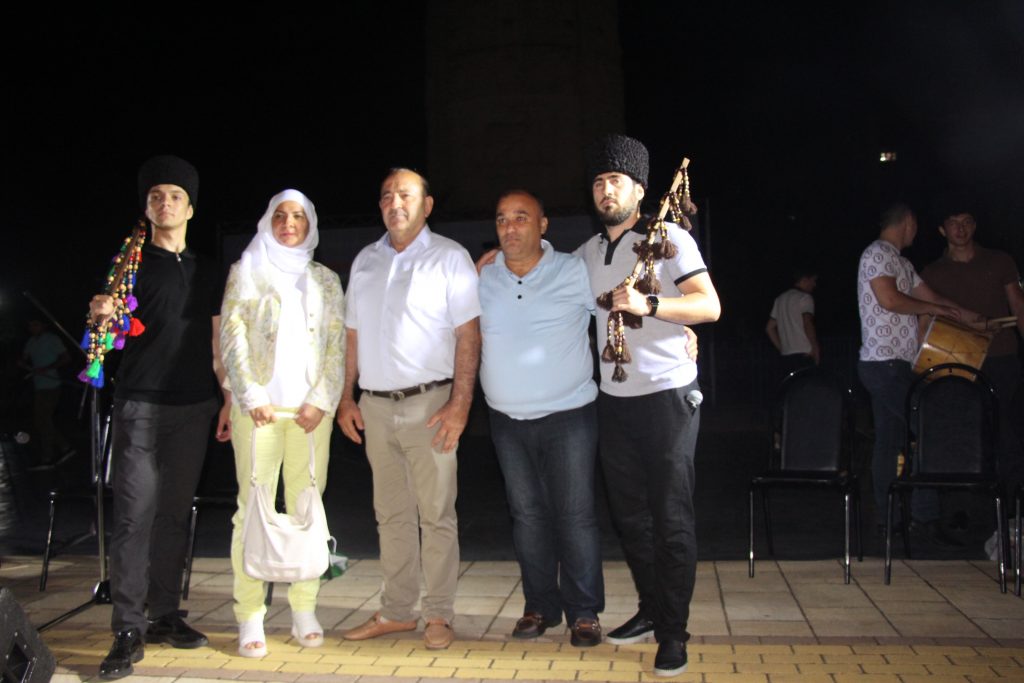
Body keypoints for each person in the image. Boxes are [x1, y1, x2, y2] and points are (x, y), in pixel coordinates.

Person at [575, 135, 721, 677]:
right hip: (614, 401)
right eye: (598, 181)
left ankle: (673, 633)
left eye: (616, 180)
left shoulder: (669, 238)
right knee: (630, 518)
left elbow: (709, 305)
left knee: (670, 517)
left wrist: (650, 303)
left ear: (639, 190)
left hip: (667, 398)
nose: (605, 190)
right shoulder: (587, 254)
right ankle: (651, 608)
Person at [89, 156, 226, 680]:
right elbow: (106, 337)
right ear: (146, 208)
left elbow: (217, 342)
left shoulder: (209, 269)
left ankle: (165, 614)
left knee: (174, 515)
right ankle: (127, 628)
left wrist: (227, 398)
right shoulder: (128, 264)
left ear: (190, 208)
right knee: (134, 516)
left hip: (194, 407)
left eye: (174, 196)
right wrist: (101, 318)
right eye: (155, 196)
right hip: (140, 406)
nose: (164, 203)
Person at [337, 168, 481, 650]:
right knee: (391, 514)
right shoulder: (366, 260)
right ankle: (398, 611)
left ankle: (438, 614)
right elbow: (352, 335)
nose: (394, 203)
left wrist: (460, 404)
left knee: (436, 515)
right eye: (386, 196)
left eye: (405, 195)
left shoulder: (449, 257)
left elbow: (468, 334)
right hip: (375, 407)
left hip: (431, 405)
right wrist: (345, 397)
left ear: (427, 205)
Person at [219, 190, 345, 658]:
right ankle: (250, 614)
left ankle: (303, 609)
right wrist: (252, 395)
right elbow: (231, 336)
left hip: (310, 415)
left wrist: (322, 399)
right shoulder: (247, 271)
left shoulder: (326, 280)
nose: (289, 223)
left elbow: (337, 345)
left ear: (310, 224)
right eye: (280, 215)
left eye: (297, 216)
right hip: (260, 412)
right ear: (267, 222)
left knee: (307, 507)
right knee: (249, 510)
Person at [478, 190, 604, 646]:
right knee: (527, 517)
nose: (510, 228)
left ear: (543, 225)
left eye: (521, 218)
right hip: (506, 420)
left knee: (575, 515)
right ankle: (539, 607)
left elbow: (617, 315)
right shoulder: (483, 276)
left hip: (569, 415)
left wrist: (680, 330)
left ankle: (584, 612)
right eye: (501, 219)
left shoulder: (573, 271)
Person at [856, 203, 980, 538]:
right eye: (916, 225)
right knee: (930, 428)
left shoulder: (903, 263)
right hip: (883, 365)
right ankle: (924, 515)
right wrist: (935, 308)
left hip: (897, 365)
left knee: (890, 440)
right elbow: (890, 300)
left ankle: (891, 520)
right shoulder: (877, 253)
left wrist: (969, 317)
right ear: (908, 223)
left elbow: (932, 298)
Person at [920, 210, 1024, 503]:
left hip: (1001, 356)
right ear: (942, 230)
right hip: (957, 362)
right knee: (961, 433)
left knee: (1004, 428)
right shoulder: (932, 272)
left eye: (966, 222)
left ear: (975, 226)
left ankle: (1012, 505)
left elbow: (1018, 305)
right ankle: (965, 506)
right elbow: (926, 319)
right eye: (953, 223)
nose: (961, 229)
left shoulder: (1000, 261)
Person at [20, 318, 73, 469]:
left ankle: (48, 456)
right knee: (40, 420)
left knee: (45, 419)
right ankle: (64, 447)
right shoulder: (31, 342)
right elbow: (24, 358)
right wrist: (24, 364)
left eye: (36, 324)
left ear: (43, 326)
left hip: (52, 385)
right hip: (39, 385)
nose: (33, 327)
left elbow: (66, 358)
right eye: (30, 325)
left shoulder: (52, 339)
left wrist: (48, 368)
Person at [765, 268, 820, 380]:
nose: (814, 284)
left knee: (791, 387)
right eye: (813, 280)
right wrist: (815, 348)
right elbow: (807, 322)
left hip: (787, 356)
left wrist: (782, 348)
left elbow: (769, 328)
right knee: (806, 386)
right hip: (804, 353)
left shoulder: (780, 299)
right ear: (804, 280)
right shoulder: (805, 298)